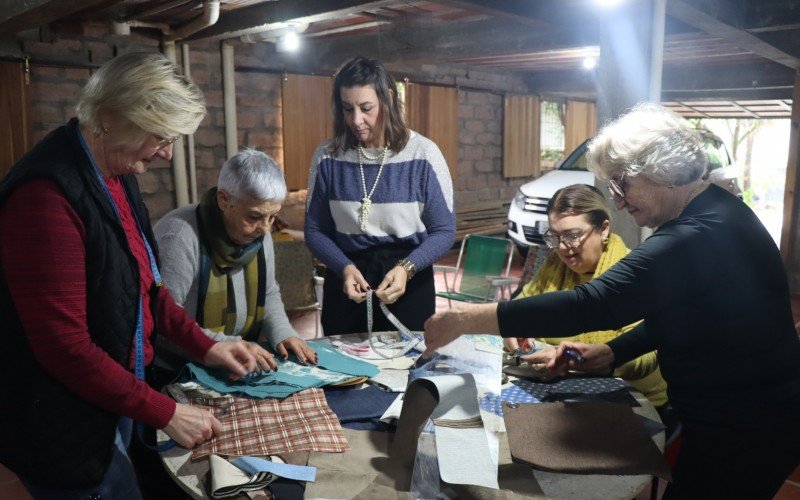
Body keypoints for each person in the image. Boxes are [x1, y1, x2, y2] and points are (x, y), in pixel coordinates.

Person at [423, 103, 800, 498]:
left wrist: (465, 318)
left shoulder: (693, 236)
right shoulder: (717, 212)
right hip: (744, 414)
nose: (617, 201)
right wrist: (612, 351)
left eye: (622, 184)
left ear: (660, 171)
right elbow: (691, 316)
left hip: (749, 424)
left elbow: (590, 304)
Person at [0, 52, 258, 498]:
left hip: (109, 397)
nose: (167, 153)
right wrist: (165, 412)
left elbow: (149, 289)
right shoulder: (44, 198)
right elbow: (65, 349)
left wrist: (208, 346)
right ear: (109, 118)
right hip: (62, 422)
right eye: (160, 136)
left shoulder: (116, 171)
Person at [305, 56, 455, 335]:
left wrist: (407, 268)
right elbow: (315, 230)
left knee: (406, 369)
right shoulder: (327, 156)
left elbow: (444, 230)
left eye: (366, 108)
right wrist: (344, 268)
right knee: (344, 370)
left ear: (388, 100)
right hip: (348, 281)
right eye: (347, 109)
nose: (356, 120)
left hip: (408, 280)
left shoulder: (423, 154)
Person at [154, 148, 317, 380]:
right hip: (179, 369)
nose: (265, 228)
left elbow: (267, 292)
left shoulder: (260, 232)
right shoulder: (180, 236)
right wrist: (230, 345)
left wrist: (284, 333)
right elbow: (163, 322)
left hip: (234, 364)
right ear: (224, 199)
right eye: (254, 216)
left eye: (272, 217)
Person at [504, 184, 667, 407]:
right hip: (567, 389)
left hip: (632, 398)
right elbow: (521, 308)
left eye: (572, 235)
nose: (562, 247)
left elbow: (644, 356)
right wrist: (514, 328)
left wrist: (578, 360)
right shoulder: (555, 265)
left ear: (604, 229)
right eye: (555, 236)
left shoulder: (632, 274)